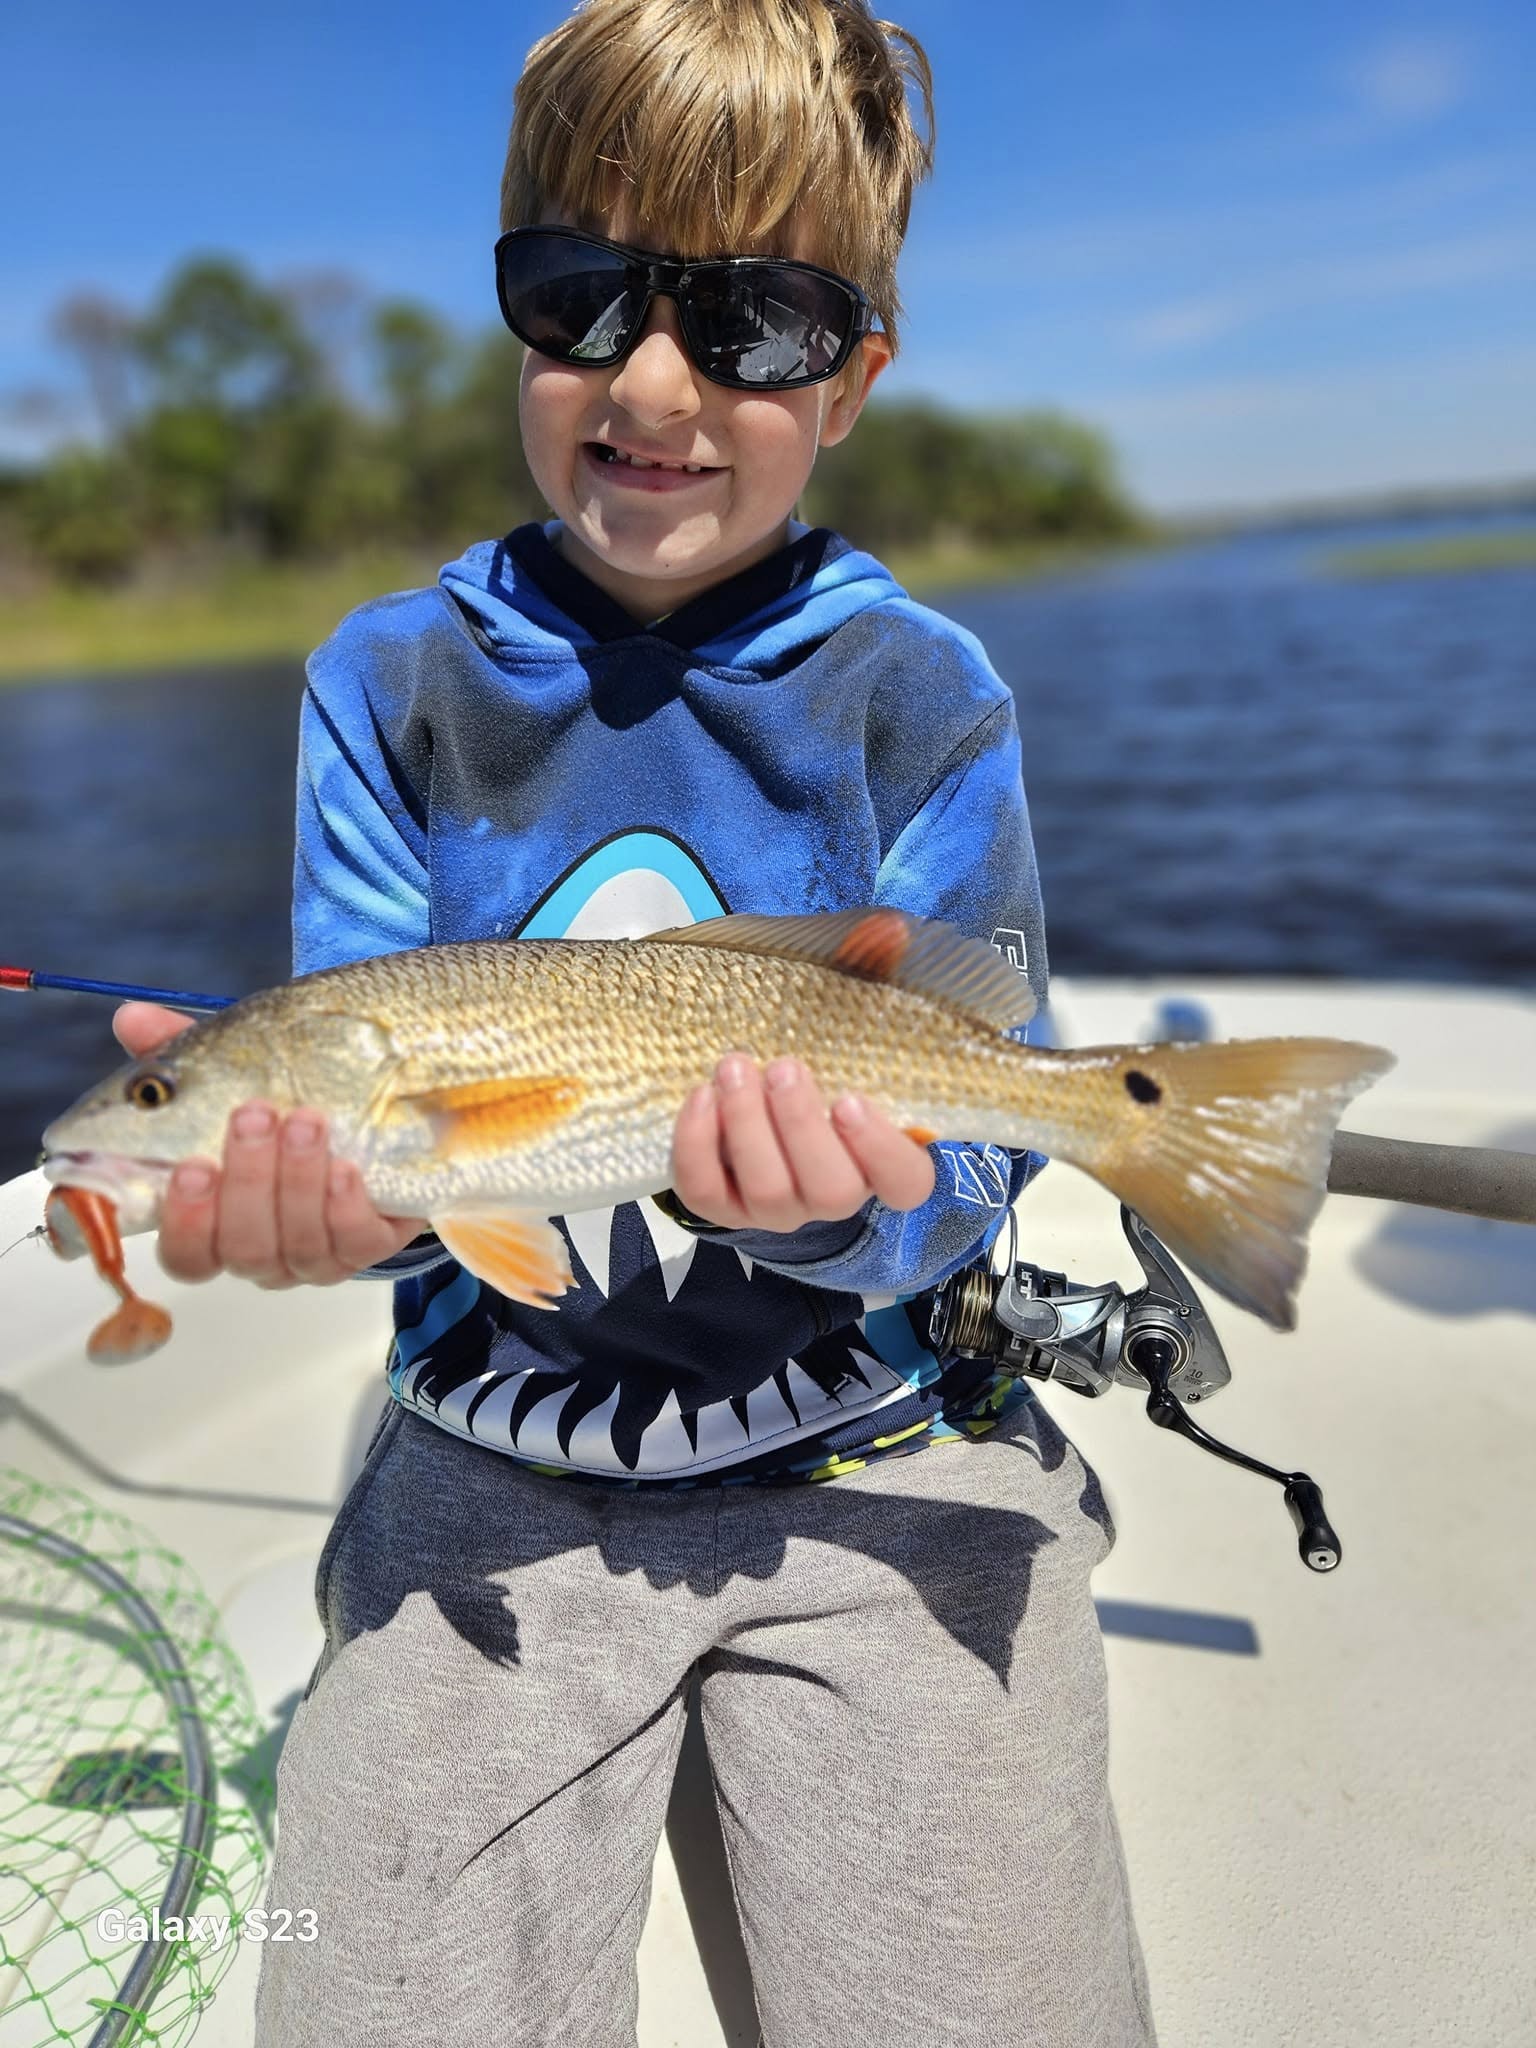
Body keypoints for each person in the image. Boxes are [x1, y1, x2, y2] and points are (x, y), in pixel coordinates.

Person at [116, 2, 1155, 2040]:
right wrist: (353, 1210)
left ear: (855, 374)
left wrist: (850, 1217)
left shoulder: (923, 695)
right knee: (357, 1981)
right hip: (481, 1459)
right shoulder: (386, 676)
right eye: (580, 294)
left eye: (755, 321)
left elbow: (959, 1167)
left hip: (876, 1442)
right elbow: (389, 1100)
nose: (655, 379)